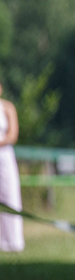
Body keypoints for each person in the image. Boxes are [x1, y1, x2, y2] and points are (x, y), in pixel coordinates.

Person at [0, 81, 24, 252]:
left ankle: (12, 241)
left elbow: (12, 135)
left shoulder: (7, 107)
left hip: (4, 157)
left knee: (9, 197)